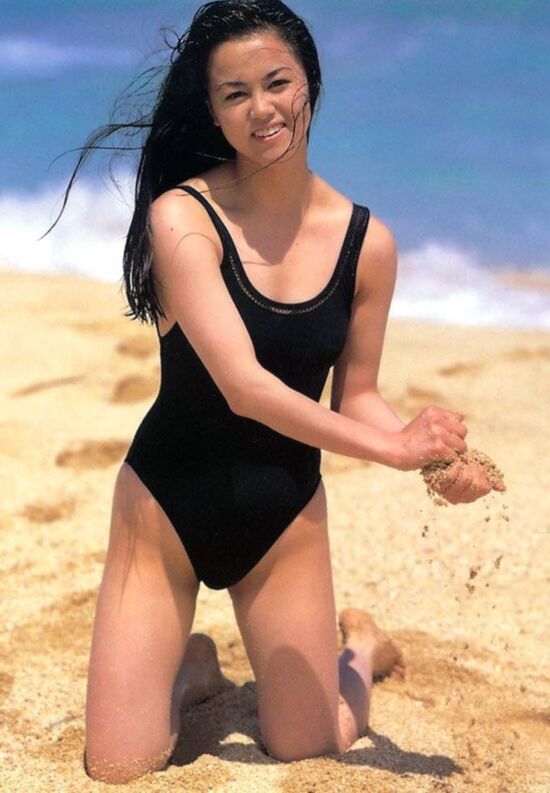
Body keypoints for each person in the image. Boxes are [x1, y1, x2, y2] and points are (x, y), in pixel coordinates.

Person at [52, 0, 501, 784]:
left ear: (309, 87)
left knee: (309, 744)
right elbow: (244, 385)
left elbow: (358, 396)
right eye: (235, 93)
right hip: (165, 509)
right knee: (119, 765)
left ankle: (359, 648)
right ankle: (192, 667)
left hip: (283, 513)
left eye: (277, 83)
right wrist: (397, 450)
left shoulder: (368, 244)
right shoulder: (182, 216)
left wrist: (439, 462)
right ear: (215, 113)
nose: (261, 107)